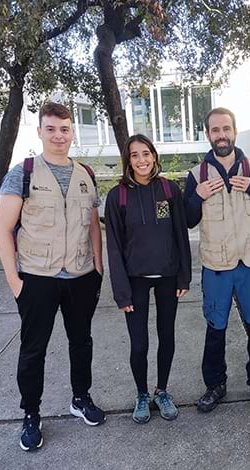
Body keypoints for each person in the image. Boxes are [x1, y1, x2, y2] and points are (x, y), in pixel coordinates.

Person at [0, 102, 105, 452]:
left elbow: (93, 227)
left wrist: (98, 268)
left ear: (73, 132)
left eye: (65, 129)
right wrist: (15, 281)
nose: (59, 135)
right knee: (33, 350)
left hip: (81, 276)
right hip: (37, 277)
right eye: (52, 129)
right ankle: (31, 413)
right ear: (40, 132)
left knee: (81, 342)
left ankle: (80, 398)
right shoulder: (23, 172)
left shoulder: (86, 173)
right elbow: (3, 229)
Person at [183, 107, 250, 414]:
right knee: (216, 329)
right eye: (215, 130)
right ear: (208, 134)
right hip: (216, 266)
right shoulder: (197, 175)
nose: (221, 135)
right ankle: (215, 385)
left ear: (235, 132)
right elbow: (186, 220)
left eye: (226, 129)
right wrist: (197, 196)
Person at [105, 134, 191, 424]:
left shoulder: (168, 190)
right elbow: (114, 246)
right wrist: (121, 292)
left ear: (154, 155)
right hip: (135, 280)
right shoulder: (118, 195)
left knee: (166, 337)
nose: (141, 160)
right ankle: (142, 394)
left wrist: (184, 277)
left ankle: (162, 391)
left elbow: (181, 234)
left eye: (146, 153)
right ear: (127, 160)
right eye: (134, 155)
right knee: (139, 343)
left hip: (167, 277)